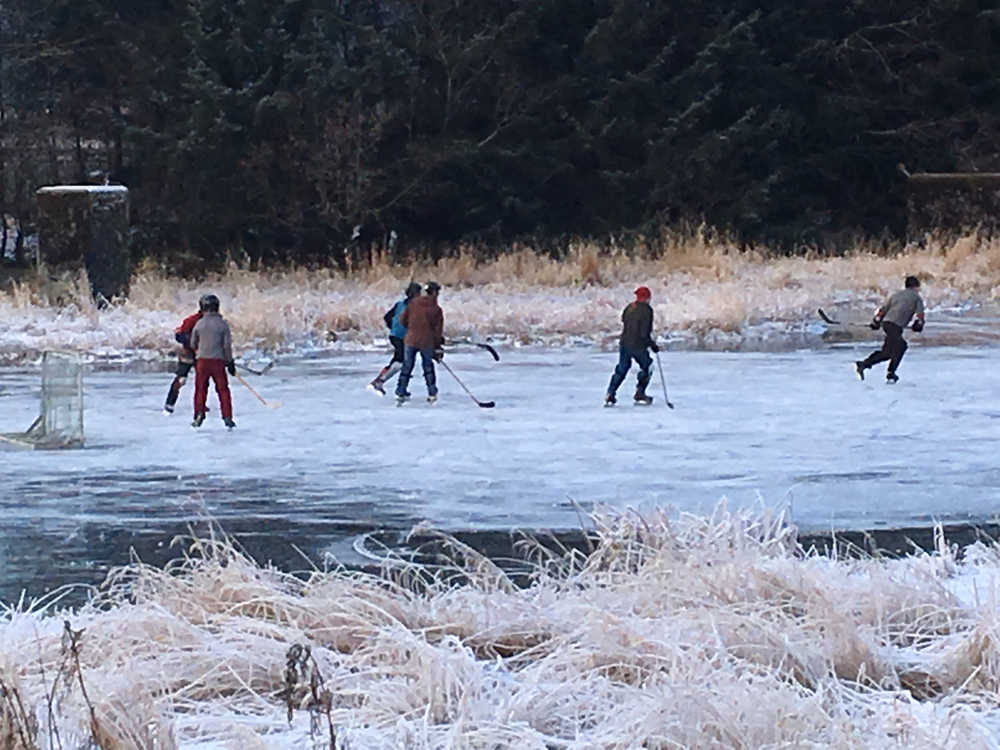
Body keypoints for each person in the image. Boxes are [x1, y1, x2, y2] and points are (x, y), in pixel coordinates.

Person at [855, 275, 925, 384]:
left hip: (887, 324)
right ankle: (891, 374)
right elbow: (920, 315)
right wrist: (919, 325)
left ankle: (864, 364)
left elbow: (883, 310)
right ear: (916, 287)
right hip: (895, 326)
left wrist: (876, 321)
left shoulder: (896, 295)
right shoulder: (916, 298)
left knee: (887, 353)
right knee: (901, 346)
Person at [605, 286, 659, 406]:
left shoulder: (629, 307)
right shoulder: (647, 310)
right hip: (638, 346)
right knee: (647, 366)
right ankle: (640, 392)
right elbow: (644, 333)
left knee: (622, 369)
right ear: (647, 298)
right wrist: (652, 345)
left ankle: (610, 392)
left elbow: (624, 321)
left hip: (624, 343)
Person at [189, 294, 237, 428]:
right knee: (223, 390)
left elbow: (193, 344)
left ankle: (199, 414)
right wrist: (230, 362)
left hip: (202, 362)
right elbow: (226, 346)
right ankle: (227, 416)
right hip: (218, 362)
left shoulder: (199, 324)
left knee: (200, 389)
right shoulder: (223, 324)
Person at [395, 281, 444, 404]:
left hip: (410, 340)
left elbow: (402, 320)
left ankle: (401, 391)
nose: (438, 295)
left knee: (407, 366)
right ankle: (432, 392)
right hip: (426, 342)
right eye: (437, 292)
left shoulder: (413, 304)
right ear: (434, 293)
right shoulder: (436, 309)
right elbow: (437, 332)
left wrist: (412, 328)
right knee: (428, 367)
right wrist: (437, 347)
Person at [369, 282, 422, 395]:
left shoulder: (399, 304)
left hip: (394, 335)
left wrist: (392, 328)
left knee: (398, 360)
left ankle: (381, 380)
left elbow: (387, 317)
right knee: (400, 361)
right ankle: (380, 381)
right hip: (402, 337)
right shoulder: (415, 307)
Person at [163, 307, 203, 414]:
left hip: (203, 354)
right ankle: (170, 403)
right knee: (181, 379)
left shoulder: (215, 321)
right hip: (188, 354)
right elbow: (179, 335)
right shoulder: (191, 320)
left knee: (203, 379)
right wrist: (191, 343)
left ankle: (200, 405)